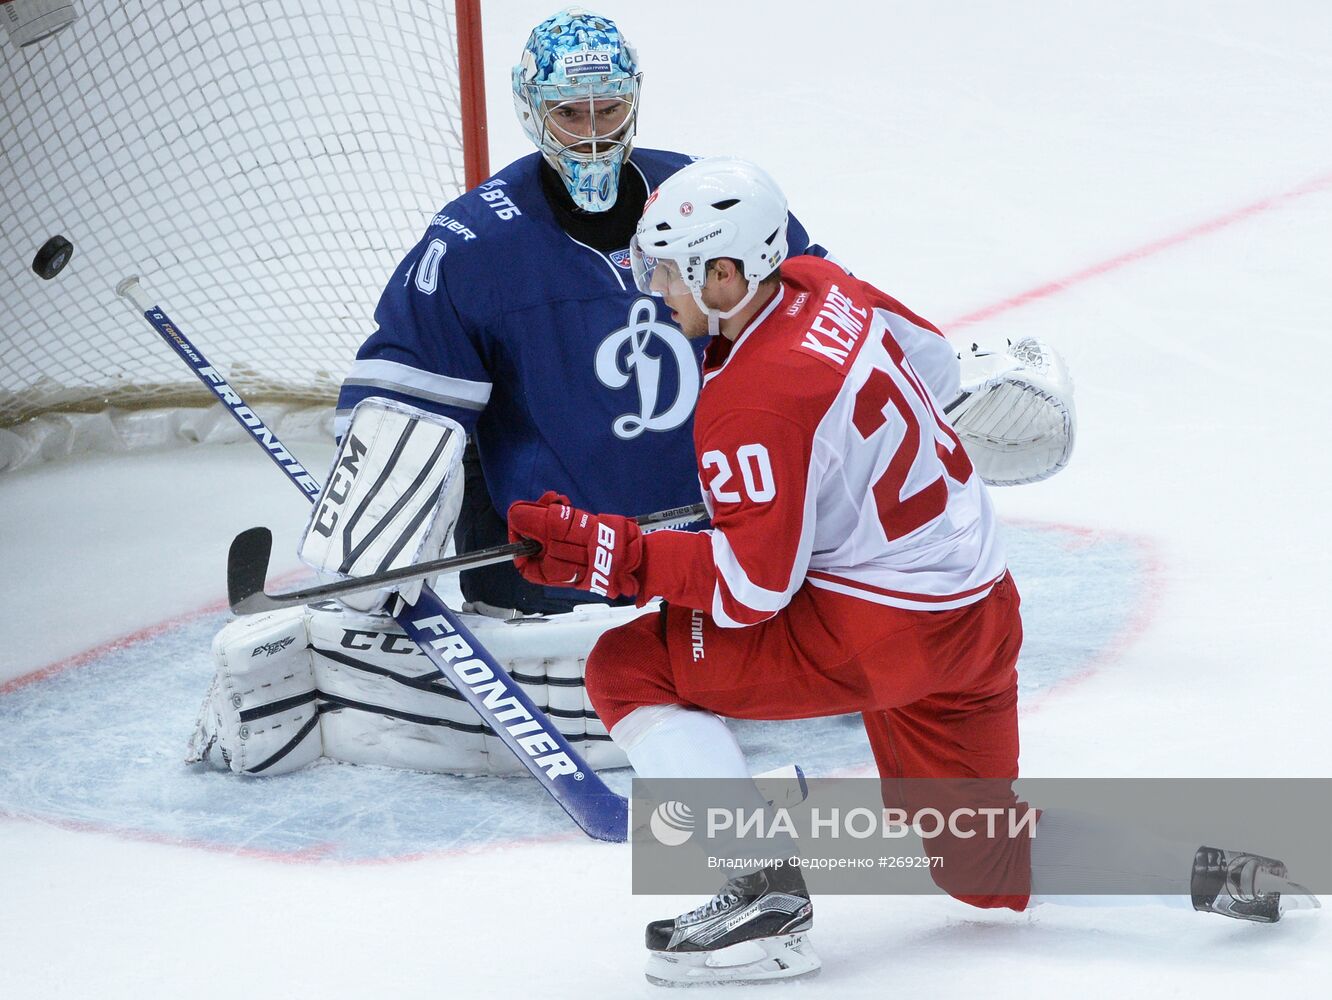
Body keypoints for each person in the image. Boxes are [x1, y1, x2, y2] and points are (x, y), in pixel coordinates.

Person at [505, 157, 1313, 986]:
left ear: (725, 272)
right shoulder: (825, 285)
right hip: (981, 609)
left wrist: (618, 556)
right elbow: (933, 368)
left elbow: (754, 591)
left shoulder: (746, 400)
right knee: (981, 859)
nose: (653, 288)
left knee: (628, 666)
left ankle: (760, 902)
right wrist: (824, 489)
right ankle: (1211, 872)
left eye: (668, 269)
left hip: (875, 633)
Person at [188, 6, 825, 778]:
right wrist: (374, 536)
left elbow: (823, 322)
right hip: (555, 582)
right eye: (568, 111)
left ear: (635, 99)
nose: (591, 131)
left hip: (718, 558)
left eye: (608, 108)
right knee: (609, 707)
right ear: (531, 109)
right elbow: (406, 395)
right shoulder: (474, 243)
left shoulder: (706, 200)